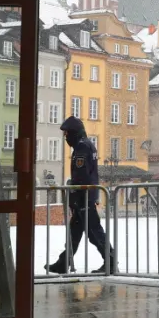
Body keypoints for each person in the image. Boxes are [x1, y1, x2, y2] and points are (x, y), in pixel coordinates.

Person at [45, 116, 113, 274]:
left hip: (84, 198)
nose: (66, 137)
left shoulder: (82, 148)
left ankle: (110, 261)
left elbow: (81, 176)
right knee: (74, 233)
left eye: (67, 133)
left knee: (94, 233)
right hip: (86, 196)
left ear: (75, 133)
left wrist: (75, 194)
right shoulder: (87, 145)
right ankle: (63, 263)